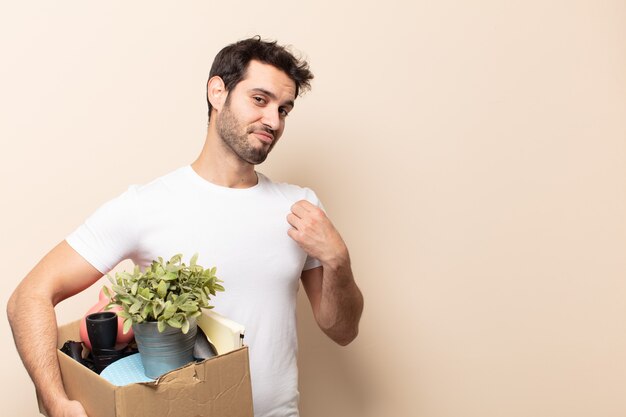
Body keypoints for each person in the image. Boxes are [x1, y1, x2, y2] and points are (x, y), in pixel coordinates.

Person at [7, 36, 364, 417]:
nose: (273, 121)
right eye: (259, 100)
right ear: (217, 92)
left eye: (284, 109)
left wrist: (338, 259)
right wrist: (54, 400)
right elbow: (28, 297)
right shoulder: (147, 205)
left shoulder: (300, 208)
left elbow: (341, 330)